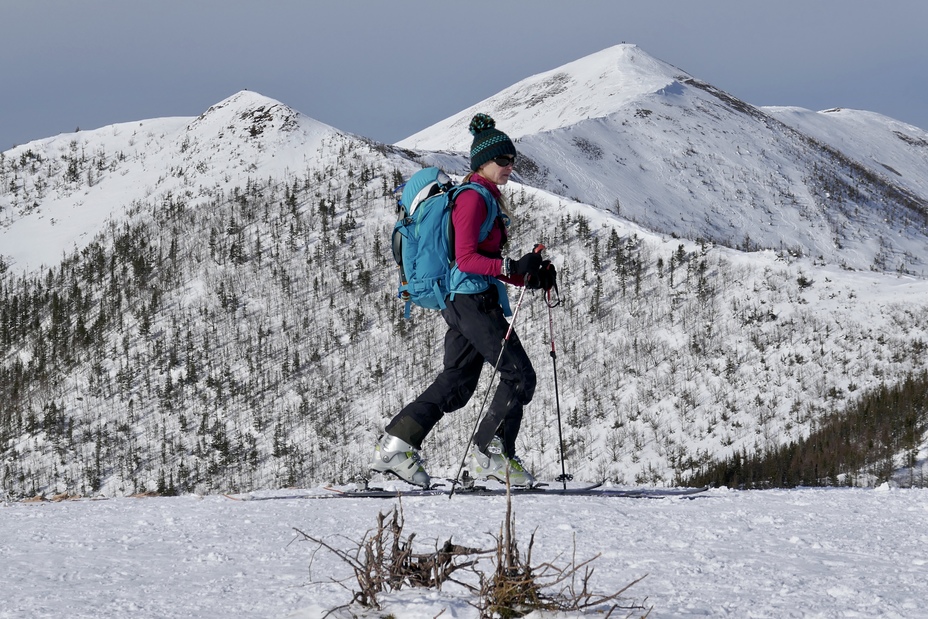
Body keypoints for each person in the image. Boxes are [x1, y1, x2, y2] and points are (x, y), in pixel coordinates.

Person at [372, 113, 548, 488]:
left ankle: (395, 446)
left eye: (512, 159)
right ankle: (491, 455)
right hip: (472, 302)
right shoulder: (472, 199)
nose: (509, 166)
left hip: (465, 300)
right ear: (482, 163)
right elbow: (466, 259)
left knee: (457, 383)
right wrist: (513, 264)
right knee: (519, 376)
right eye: (502, 160)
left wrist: (526, 275)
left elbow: (479, 263)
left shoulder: (481, 197)